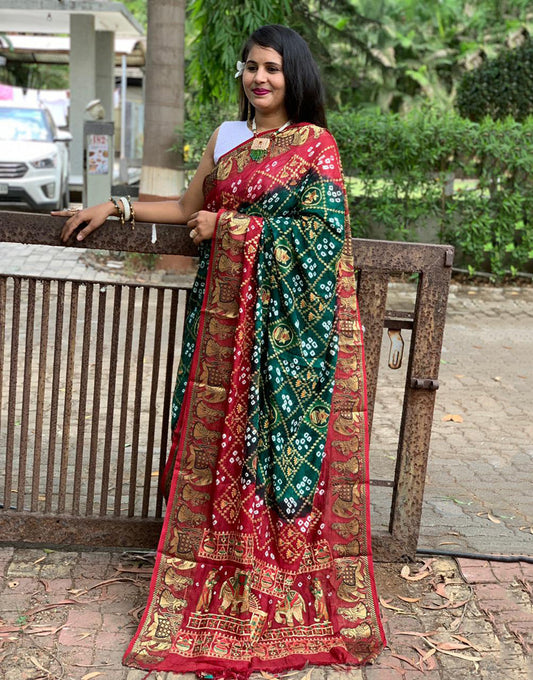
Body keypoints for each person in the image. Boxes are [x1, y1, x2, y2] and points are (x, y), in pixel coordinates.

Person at [55, 23, 385, 678]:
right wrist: (114, 205)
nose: (259, 78)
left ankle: (269, 571)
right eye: (251, 67)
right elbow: (185, 206)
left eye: (273, 68)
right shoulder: (226, 139)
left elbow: (322, 240)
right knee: (217, 442)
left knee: (269, 444)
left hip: (282, 338)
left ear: (295, 76)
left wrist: (231, 227)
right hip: (220, 325)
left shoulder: (315, 146)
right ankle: (216, 562)